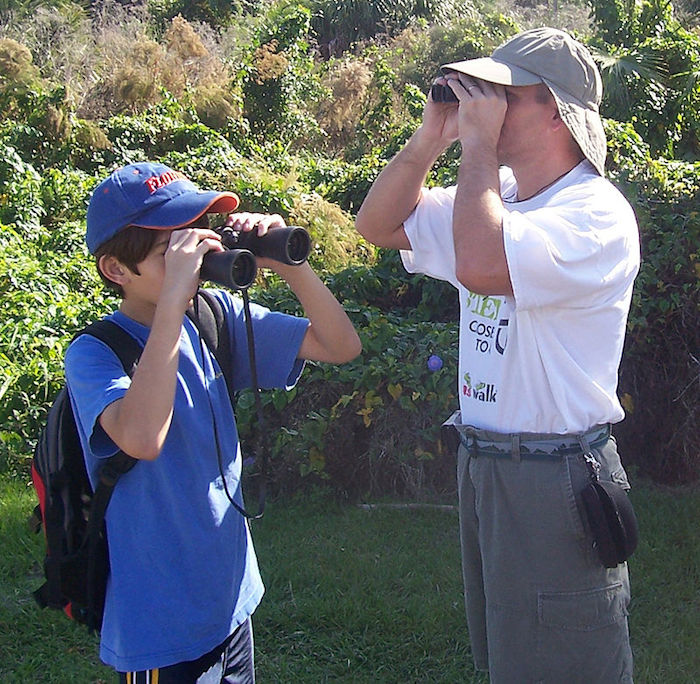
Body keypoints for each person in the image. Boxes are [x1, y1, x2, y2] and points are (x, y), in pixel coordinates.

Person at [355, 27, 639, 682]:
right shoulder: (497, 197)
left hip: (556, 475)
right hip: (488, 464)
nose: (482, 103)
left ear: (555, 109)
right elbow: (377, 225)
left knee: (567, 662)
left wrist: (477, 148)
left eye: (501, 92)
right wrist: (434, 137)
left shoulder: (594, 214)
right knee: (511, 663)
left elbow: (482, 263)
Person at [66, 161, 362, 682]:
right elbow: (141, 437)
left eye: (196, 240)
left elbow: (341, 345)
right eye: (170, 253)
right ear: (116, 270)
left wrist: (290, 263)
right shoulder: (95, 354)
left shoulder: (212, 316)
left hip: (230, 596)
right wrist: (173, 305)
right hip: (162, 622)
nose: (195, 261)